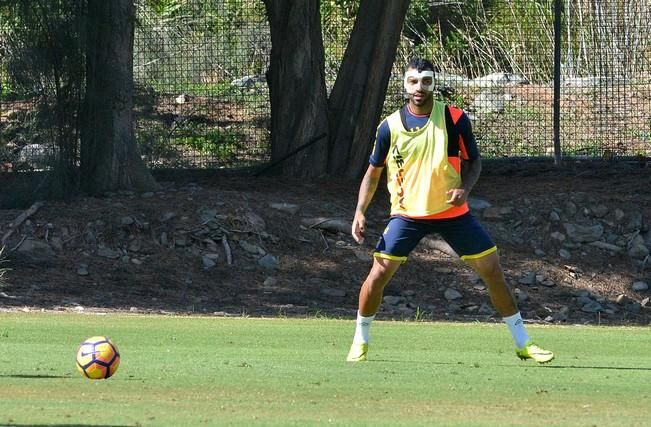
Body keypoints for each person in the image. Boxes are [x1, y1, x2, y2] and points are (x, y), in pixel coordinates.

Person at [346, 58, 554, 364]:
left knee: (493, 270)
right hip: (407, 215)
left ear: (435, 83)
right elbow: (373, 172)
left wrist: (464, 191)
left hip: (453, 214)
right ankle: (360, 341)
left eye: (426, 81)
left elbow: (475, 163)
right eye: (413, 81)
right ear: (405, 84)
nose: (419, 87)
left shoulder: (455, 119)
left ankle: (523, 342)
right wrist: (360, 211)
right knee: (378, 274)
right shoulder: (388, 127)